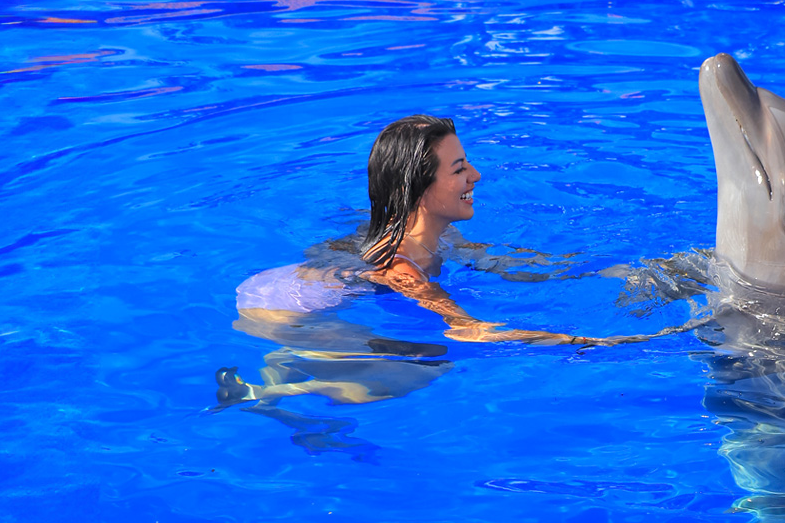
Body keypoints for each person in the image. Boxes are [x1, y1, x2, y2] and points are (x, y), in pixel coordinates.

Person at [216, 114, 648, 412]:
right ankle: (277, 389)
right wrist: (583, 342)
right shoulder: (401, 266)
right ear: (421, 190)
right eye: (459, 169)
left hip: (292, 288)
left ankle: (278, 382)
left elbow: (508, 264)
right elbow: (472, 331)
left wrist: (614, 271)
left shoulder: (440, 235)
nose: (475, 176)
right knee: (429, 363)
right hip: (278, 312)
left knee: (412, 355)